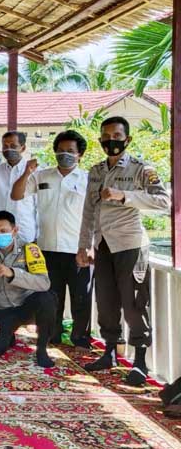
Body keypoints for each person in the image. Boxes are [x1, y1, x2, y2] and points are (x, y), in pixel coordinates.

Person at [78, 116, 170, 386]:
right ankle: (109, 352)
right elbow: (88, 210)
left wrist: (124, 195)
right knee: (105, 303)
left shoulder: (142, 169)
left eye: (117, 136)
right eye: (106, 137)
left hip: (130, 245)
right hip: (102, 245)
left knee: (133, 305)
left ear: (127, 139)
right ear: (100, 141)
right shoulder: (95, 171)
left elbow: (164, 200)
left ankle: (140, 362)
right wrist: (83, 245)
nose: (111, 141)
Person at [11, 130, 91, 348]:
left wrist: (90, 246)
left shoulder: (88, 179)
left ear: (80, 154)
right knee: (51, 296)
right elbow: (16, 195)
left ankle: (80, 338)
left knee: (80, 298)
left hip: (77, 249)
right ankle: (51, 335)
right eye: (61, 150)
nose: (64, 154)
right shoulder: (42, 175)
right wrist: (27, 172)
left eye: (70, 151)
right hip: (47, 248)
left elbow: (96, 214)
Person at [0, 211, 55, 368]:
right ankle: (9, 333)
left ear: (15, 230)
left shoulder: (30, 249)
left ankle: (42, 348)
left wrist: (12, 273)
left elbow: (44, 283)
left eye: (3, 231)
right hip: (1, 309)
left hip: (25, 306)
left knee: (47, 298)